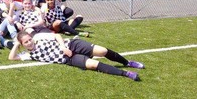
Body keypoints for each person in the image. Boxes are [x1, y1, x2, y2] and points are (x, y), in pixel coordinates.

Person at [9, 31, 145, 81]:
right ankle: (126, 73)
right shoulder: (27, 54)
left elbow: (56, 35)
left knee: (103, 51)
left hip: (71, 45)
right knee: (93, 64)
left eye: (29, 39)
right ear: (22, 44)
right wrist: (16, 44)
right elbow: (12, 58)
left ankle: (127, 62)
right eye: (25, 42)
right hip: (68, 59)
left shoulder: (38, 37)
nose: (29, 42)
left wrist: (63, 47)